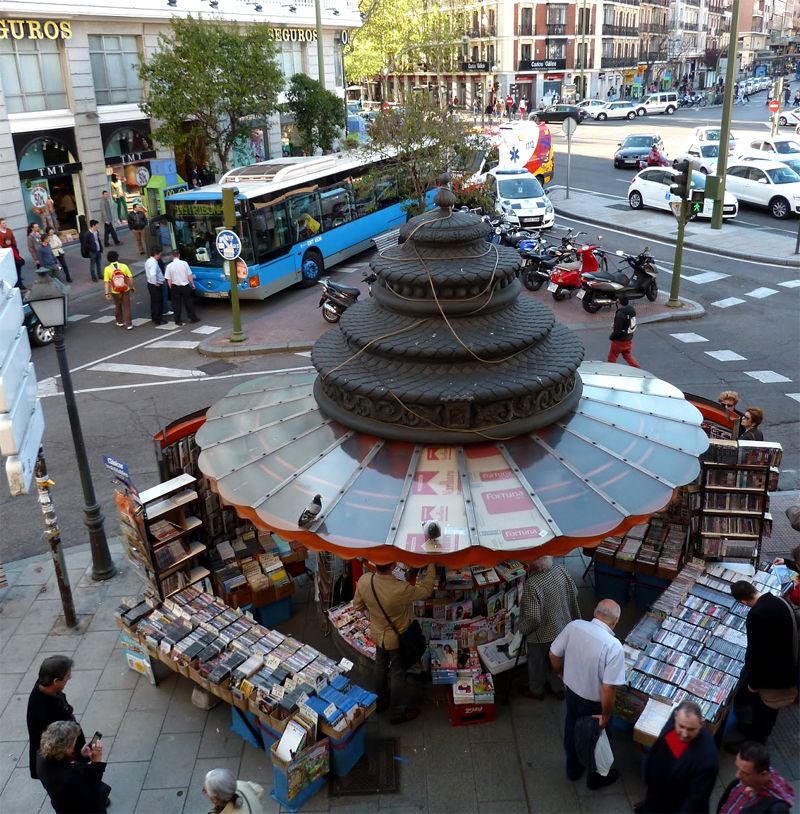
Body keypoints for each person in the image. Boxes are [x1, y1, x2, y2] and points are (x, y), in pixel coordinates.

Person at [549, 599, 626, 790]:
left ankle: (573, 770)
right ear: (615, 621)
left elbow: (553, 654)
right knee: (597, 739)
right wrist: (606, 716)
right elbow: (609, 688)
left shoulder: (574, 626)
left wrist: (561, 674)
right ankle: (597, 778)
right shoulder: (614, 646)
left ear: (594, 611)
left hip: (572, 696)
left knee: (570, 730)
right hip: (594, 704)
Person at [352, 560, 435, 724]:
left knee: (380, 666)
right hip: (397, 639)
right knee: (398, 672)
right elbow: (426, 589)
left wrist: (374, 617)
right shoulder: (400, 589)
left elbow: (358, 605)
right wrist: (430, 565)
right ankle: (398, 712)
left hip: (378, 635)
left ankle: (381, 701)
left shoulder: (365, 580)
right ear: (392, 567)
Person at [725, 580, 797, 750]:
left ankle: (756, 743)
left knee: (762, 709)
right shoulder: (780, 601)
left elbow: (755, 652)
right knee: (769, 710)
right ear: (755, 588)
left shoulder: (756, 615)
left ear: (743, 602)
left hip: (770, 675)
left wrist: (753, 683)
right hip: (785, 667)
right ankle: (759, 732)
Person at [636, 700, 719, 814]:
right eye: (681, 726)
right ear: (676, 716)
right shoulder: (676, 716)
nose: (684, 734)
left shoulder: (707, 759)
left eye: (691, 729)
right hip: (657, 795)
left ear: (701, 724)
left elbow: (695, 800)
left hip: (676, 806)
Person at [518, 555, 580, 701]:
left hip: (542, 634)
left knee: (537, 663)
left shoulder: (532, 584)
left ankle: (536, 691)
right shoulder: (561, 570)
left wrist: (523, 629)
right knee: (559, 660)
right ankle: (558, 689)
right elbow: (575, 592)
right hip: (564, 627)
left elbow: (533, 618)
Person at [26, 656, 85, 780]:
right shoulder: (43, 714)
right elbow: (57, 747)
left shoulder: (46, 687)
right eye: (67, 676)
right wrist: (76, 757)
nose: (70, 678)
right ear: (56, 681)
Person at [37, 721, 110, 814]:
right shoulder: (68, 778)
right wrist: (96, 762)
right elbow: (91, 794)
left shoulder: (41, 755)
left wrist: (81, 755)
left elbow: (64, 762)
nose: (74, 747)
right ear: (64, 748)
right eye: (73, 744)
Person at [717, 742, 795, 814]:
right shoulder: (748, 778)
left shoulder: (776, 809)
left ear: (763, 774)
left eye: (746, 773)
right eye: (738, 768)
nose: (737, 775)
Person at [164, 249, 199, 326]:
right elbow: (189, 275)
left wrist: (171, 288)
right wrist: (192, 284)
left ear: (172, 256)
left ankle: (178, 320)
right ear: (179, 255)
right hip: (185, 286)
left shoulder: (169, 266)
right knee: (189, 302)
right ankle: (193, 318)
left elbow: (168, 279)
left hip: (175, 287)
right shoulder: (184, 263)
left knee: (176, 304)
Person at [103, 250, 135, 330]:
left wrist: (106, 293)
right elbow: (130, 277)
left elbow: (106, 282)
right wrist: (132, 286)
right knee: (126, 307)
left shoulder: (107, 269)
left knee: (117, 305)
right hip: (125, 289)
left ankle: (119, 321)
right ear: (117, 257)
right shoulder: (123, 266)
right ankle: (129, 324)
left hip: (115, 290)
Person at [607, 295, 641, 368]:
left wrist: (611, 337)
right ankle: (638, 369)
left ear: (619, 302)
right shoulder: (631, 311)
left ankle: (610, 372)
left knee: (612, 358)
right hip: (628, 339)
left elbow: (617, 331)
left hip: (619, 341)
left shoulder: (620, 314)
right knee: (627, 356)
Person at [145, 247, 166, 325]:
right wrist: (155, 283)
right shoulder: (154, 264)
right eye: (160, 255)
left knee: (154, 301)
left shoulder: (148, 261)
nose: (160, 256)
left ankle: (154, 316)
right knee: (158, 302)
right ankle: (158, 318)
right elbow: (153, 274)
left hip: (150, 284)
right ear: (156, 254)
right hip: (155, 285)